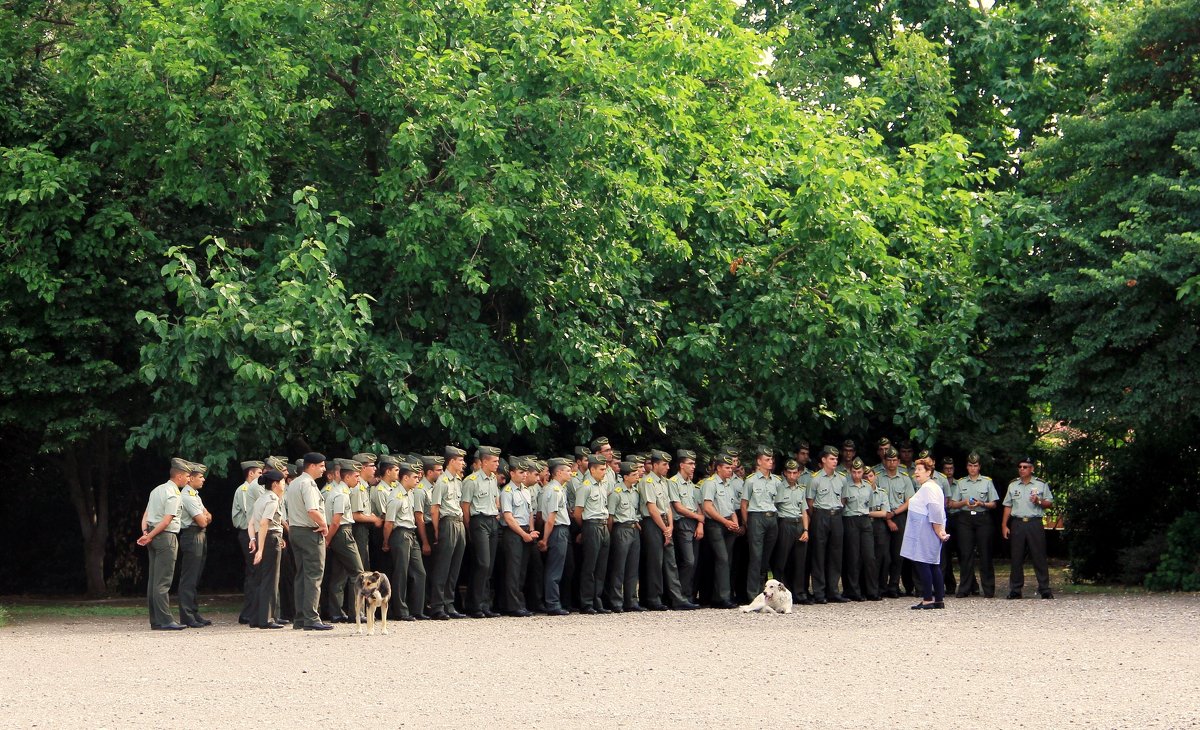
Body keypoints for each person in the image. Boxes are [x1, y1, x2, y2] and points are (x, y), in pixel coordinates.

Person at [136, 457, 189, 630]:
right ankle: (166, 620)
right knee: (163, 581)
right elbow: (166, 521)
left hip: (152, 535)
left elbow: (146, 514)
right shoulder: (174, 494)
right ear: (179, 476)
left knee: (153, 580)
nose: (188, 479)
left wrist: (145, 533)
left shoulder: (156, 490)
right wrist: (150, 535)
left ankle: (156, 620)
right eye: (187, 476)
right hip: (165, 537)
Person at [639, 450, 696, 610]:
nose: (667, 467)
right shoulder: (648, 481)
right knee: (655, 562)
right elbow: (652, 508)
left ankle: (677, 598)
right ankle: (654, 598)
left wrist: (670, 526)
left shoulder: (665, 482)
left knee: (671, 563)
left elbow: (668, 506)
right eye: (664, 464)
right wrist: (665, 528)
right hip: (653, 523)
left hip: (666, 523)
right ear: (655, 465)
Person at [284, 452, 332, 630]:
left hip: (296, 530)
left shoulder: (295, 482)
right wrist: (324, 525)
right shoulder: (308, 484)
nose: (324, 469)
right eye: (321, 466)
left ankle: (301, 618)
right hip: (309, 531)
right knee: (314, 575)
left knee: (301, 575)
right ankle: (311, 618)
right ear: (311, 466)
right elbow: (312, 510)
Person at [900, 456, 951, 609]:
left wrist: (938, 531)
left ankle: (928, 598)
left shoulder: (929, 488)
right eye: (916, 469)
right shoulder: (930, 487)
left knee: (924, 563)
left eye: (920, 470)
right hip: (927, 529)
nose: (916, 472)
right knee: (933, 563)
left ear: (929, 472)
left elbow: (935, 509)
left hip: (927, 530)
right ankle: (938, 599)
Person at [1002, 455, 1054, 599]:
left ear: (1032, 469)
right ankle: (1015, 590)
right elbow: (1007, 505)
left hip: (1034, 522)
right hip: (1018, 523)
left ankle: (1044, 588)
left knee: (1039, 556)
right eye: (1020, 467)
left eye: (1025, 467)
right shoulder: (1013, 485)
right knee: (1016, 557)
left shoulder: (1041, 484)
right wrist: (1004, 525)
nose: (1022, 469)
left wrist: (1039, 501)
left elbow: (1050, 503)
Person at [462, 445, 502, 618]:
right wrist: (469, 527)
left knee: (490, 565)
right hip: (478, 521)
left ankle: (484, 604)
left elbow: (495, 500)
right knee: (482, 563)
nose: (497, 464)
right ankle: (474, 605)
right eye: (494, 461)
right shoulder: (471, 480)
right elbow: (465, 506)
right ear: (484, 462)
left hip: (492, 520)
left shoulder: (493, 478)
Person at [383, 460, 427, 621]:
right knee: (401, 572)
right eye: (415, 477)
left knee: (420, 572)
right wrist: (386, 541)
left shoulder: (410, 493)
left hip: (411, 533)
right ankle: (401, 610)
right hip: (400, 534)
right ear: (405, 478)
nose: (417, 480)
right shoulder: (396, 496)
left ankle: (417, 609)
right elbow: (389, 523)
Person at [950, 452, 998, 598]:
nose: (972, 468)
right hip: (965, 519)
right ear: (967, 467)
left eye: (975, 466)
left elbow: (994, 503)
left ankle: (988, 589)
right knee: (965, 554)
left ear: (979, 467)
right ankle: (965, 588)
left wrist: (981, 503)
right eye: (970, 466)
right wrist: (964, 502)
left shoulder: (987, 482)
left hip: (982, 518)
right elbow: (952, 504)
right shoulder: (961, 482)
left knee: (985, 554)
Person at [323, 459, 365, 622]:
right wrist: (328, 539)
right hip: (342, 532)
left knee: (339, 574)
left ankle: (336, 612)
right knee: (358, 572)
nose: (358, 479)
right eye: (355, 476)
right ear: (346, 478)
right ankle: (356, 612)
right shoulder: (341, 494)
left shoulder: (340, 492)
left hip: (340, 532)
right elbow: (335, 521)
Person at [429, 446, 468, 620]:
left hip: (458, 523)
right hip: (447, 523)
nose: (463, 463)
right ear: (451, 461)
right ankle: (437, 606)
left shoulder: (458, 481)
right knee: (443, 566)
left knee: (455, 566)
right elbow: (435, 509)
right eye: (460, 460)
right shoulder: (442, 482)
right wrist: (437, 531)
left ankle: (449, 603)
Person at [807, 445, 848, 604]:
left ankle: (833, 591)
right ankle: (819, 592)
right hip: (820, 515)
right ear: (823, 460)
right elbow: (810, 502)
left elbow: (843, 499)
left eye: (836, 458)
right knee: (819, 554)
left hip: (836, 515)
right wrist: (817, 516)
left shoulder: (842, 478)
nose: (835, 461)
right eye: (831, 458)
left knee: (836, 554)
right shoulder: (815, 478)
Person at [247, 469, 287, 629]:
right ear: (276, 484)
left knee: (261, 580)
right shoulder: (272, 500)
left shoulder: (260, 499)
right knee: (271, 580)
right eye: (283, 482)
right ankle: (267, 619)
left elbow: (251, 524)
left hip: (262, 537)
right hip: (270, 539)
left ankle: (256, 617)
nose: (285, 485)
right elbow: (264, 523)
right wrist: (261, 549)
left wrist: (253, 540)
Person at [500, 457, 539, 617]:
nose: (524, 475)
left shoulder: (525, 491)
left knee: (522, 570)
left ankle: (520, 603)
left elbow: (529, 513)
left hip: (525, 532)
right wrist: (523, 534)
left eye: (526, 472)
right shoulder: (507, 492)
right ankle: (512, 605)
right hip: (514, 533)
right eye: (521, 472)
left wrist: (531, 530)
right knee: (513, 571)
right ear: (512, 473)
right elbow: (508, 517)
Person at [741, 446, 780, 599]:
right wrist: (747, 523)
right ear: (759, 461)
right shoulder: (750, 481)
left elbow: (778, 502)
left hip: (772, 518)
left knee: (766, 556)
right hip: (756, 517)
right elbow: (744, 504)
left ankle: (764, 591)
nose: (770, 462)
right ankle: (752, 594)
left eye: (771, 459)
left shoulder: (776, 481)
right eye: (767, 459)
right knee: (756, 556)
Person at [177, 462, 213, 627]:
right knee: (189, 578)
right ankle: (187, 615)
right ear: (190, 478)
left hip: (199, 535)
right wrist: (204, 517)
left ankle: (194, 611)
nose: (203, 479)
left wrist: (204, 517)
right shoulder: (187, 496)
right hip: (192, 535)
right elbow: (203, 521)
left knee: (196, 576)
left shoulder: (195, 495)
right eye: (200, 476)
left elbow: (208, 516)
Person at [701, 454, 740, 609]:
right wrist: (725, 522)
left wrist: (735, 523)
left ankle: (722, 595)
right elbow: (708, 507)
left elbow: (731, 508)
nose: (730, 470)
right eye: (727, 467)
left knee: (727, 560)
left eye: (731, 468)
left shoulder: (728, 484)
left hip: (728, 524)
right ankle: (722, 597)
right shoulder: (710, 483)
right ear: (718, 468)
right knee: (722, 559)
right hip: (716, 524)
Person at [574, 454, 611, 614]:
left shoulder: (603, 485)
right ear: (592, 469)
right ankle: (587, 602)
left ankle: (597, 600)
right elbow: (577, 513)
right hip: (591, 526)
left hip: (603, 526)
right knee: (590, 566)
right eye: (602, 469)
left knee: (601, 567)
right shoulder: (585, 486)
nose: (604, 472)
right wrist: (585, 529)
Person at [878, 447, 916, 597]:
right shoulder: (878, 477)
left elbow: (909, 501)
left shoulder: (905, 478)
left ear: (899, 462)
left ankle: (893, 586)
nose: (892, 463)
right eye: (889, 460)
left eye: (894, 460)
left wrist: (894, 513)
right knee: (883, 555)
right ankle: (881, 587)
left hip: (899, 516)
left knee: (898, 555)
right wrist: (887, 518)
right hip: (882, 517)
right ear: (885, 461)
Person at [771, 458, 810, 603]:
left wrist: (806, 530)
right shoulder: (779, 487)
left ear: (799, 473)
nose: (792, 476)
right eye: (790, 473)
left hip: (798, 524)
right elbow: (773, 507)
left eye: (795, 473)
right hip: (785, 523)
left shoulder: (801, 489)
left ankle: (799, 593)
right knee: (782, 560)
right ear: (785, 473)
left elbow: (804, 511)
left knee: (800, 561)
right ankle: (780, 594)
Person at [606, 461, 643, 612]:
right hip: (620, 529)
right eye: (634, 475)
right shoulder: (616, 493)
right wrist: (610, 534)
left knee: (632, 567)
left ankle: (631, 600)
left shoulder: (635, 492)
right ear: (625, 477)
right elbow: (610, 517)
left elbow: (635, 512)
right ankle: (616, 601)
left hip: (633, 528)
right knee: (619, 567)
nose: (637, 477)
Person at [539, 458, 574, 616]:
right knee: (555, 569)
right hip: (557, 530)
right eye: (567, 470)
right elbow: (551, 518)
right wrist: (545, 540)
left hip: (558, 530)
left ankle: (556, 601)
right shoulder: (555, 490)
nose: (570, 473)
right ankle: (552, 603)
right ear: (558, 472)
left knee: (559, 567)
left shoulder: (552, 488)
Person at [232, 459, 265, 625]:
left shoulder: (252, 489)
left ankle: (253, 611)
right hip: (248, 533)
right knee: (253, 572)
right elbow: (251, 513)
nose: (261, 475)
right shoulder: (246, 489)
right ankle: (248, 613)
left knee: (255, 572)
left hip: (251, 532)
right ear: (251, 473)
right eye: (259, 473)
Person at [668, 449, 703, 603]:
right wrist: (698, 517)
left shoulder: (692, 485)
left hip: (695, 524)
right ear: (681, 465)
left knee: (693, 562)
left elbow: (699, 506)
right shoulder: (673, 482)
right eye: (690, 463)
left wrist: (700, 524)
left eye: (694, 463)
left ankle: (688, 595)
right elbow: (678, 507)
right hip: (682, 523)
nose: (693, 466)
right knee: (687, 560)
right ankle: (679, 596)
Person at [841, 457, 877, 601]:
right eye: (854, 472)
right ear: (850, 471)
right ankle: (854, 591)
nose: (856, 475)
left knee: (869, 556)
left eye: (859, 472)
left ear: (863, 472)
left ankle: (872, 590)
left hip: (865, 519)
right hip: (850, 519)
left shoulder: (868, 486)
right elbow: (842, 504)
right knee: (853, 557)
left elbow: (871, 506)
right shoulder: (846, 485)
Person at [350, 452, 379, 571]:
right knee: (361, 565)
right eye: (372, 466)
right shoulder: (357, 486)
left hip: (364, 529)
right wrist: (373, 518)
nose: (375, 469)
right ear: (363, 468)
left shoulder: (364, 485)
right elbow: (355, 515)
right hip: (359, 529)